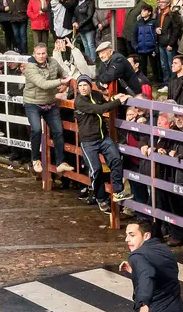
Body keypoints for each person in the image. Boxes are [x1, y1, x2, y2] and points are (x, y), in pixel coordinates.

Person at [119, 219, 183, 312]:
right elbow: (158, 275)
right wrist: (134, 272)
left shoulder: (136, 256)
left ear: (146, 236)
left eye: (132, 235)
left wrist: (144, 304)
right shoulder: (166, 251)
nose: (127, 239)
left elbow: (147, 274)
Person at [75, 75, 132, 213]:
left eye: (85, 85)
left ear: (90, 86)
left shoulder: (96, 95)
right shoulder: (79, 101)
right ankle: (100, 198)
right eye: (80, 86)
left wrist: (113, 99)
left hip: (103, 137)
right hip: (88, 141)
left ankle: (118, 191)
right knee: (96, 170)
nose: (83, 88)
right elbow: (99, 109)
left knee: (116, 160)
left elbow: (103, 104)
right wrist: (117, 101)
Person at [23, 43, 71, 174]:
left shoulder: (53, 62)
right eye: (38, 54)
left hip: (50, 102)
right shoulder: (30, 67)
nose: (41, 56)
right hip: (33, 103)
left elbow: (65, 74)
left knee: (58, 131)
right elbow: (43, 84)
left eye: (43, 53)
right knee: (36, 129)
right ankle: (35, 159)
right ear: (34, 54)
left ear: (47, 53)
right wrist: (60, 82)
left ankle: (60, 162)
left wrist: (66, 83)